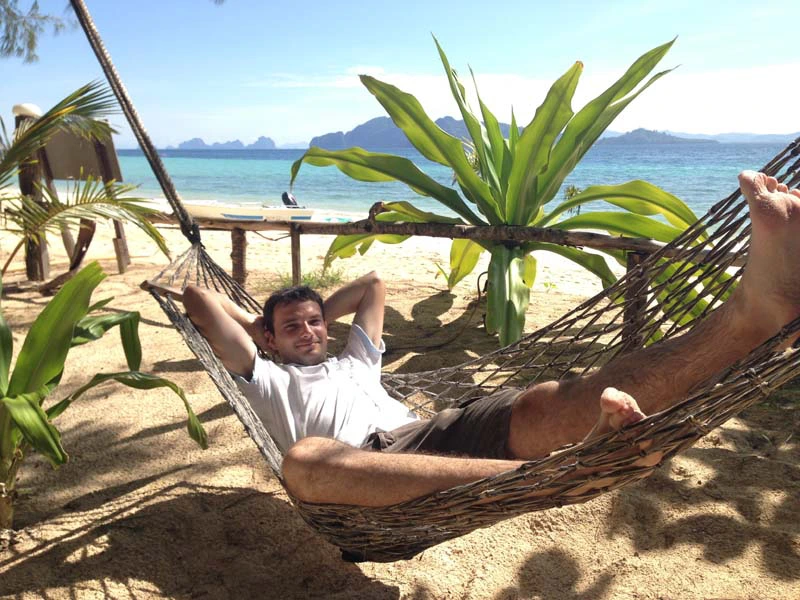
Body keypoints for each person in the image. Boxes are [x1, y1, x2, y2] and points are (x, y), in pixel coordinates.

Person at [183, 171, 800, 509]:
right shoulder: (265, 377)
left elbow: (372, 282)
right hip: (360, 465)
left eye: (317, 322)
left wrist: (311, 308)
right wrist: (264, 329)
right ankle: (554, 475)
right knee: (302, 464)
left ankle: (749, 317)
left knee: (548, 400)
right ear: (266, 338)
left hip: (434, 435)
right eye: (294, 328)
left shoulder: (356, 357)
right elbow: (199, 302)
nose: (312, 331)